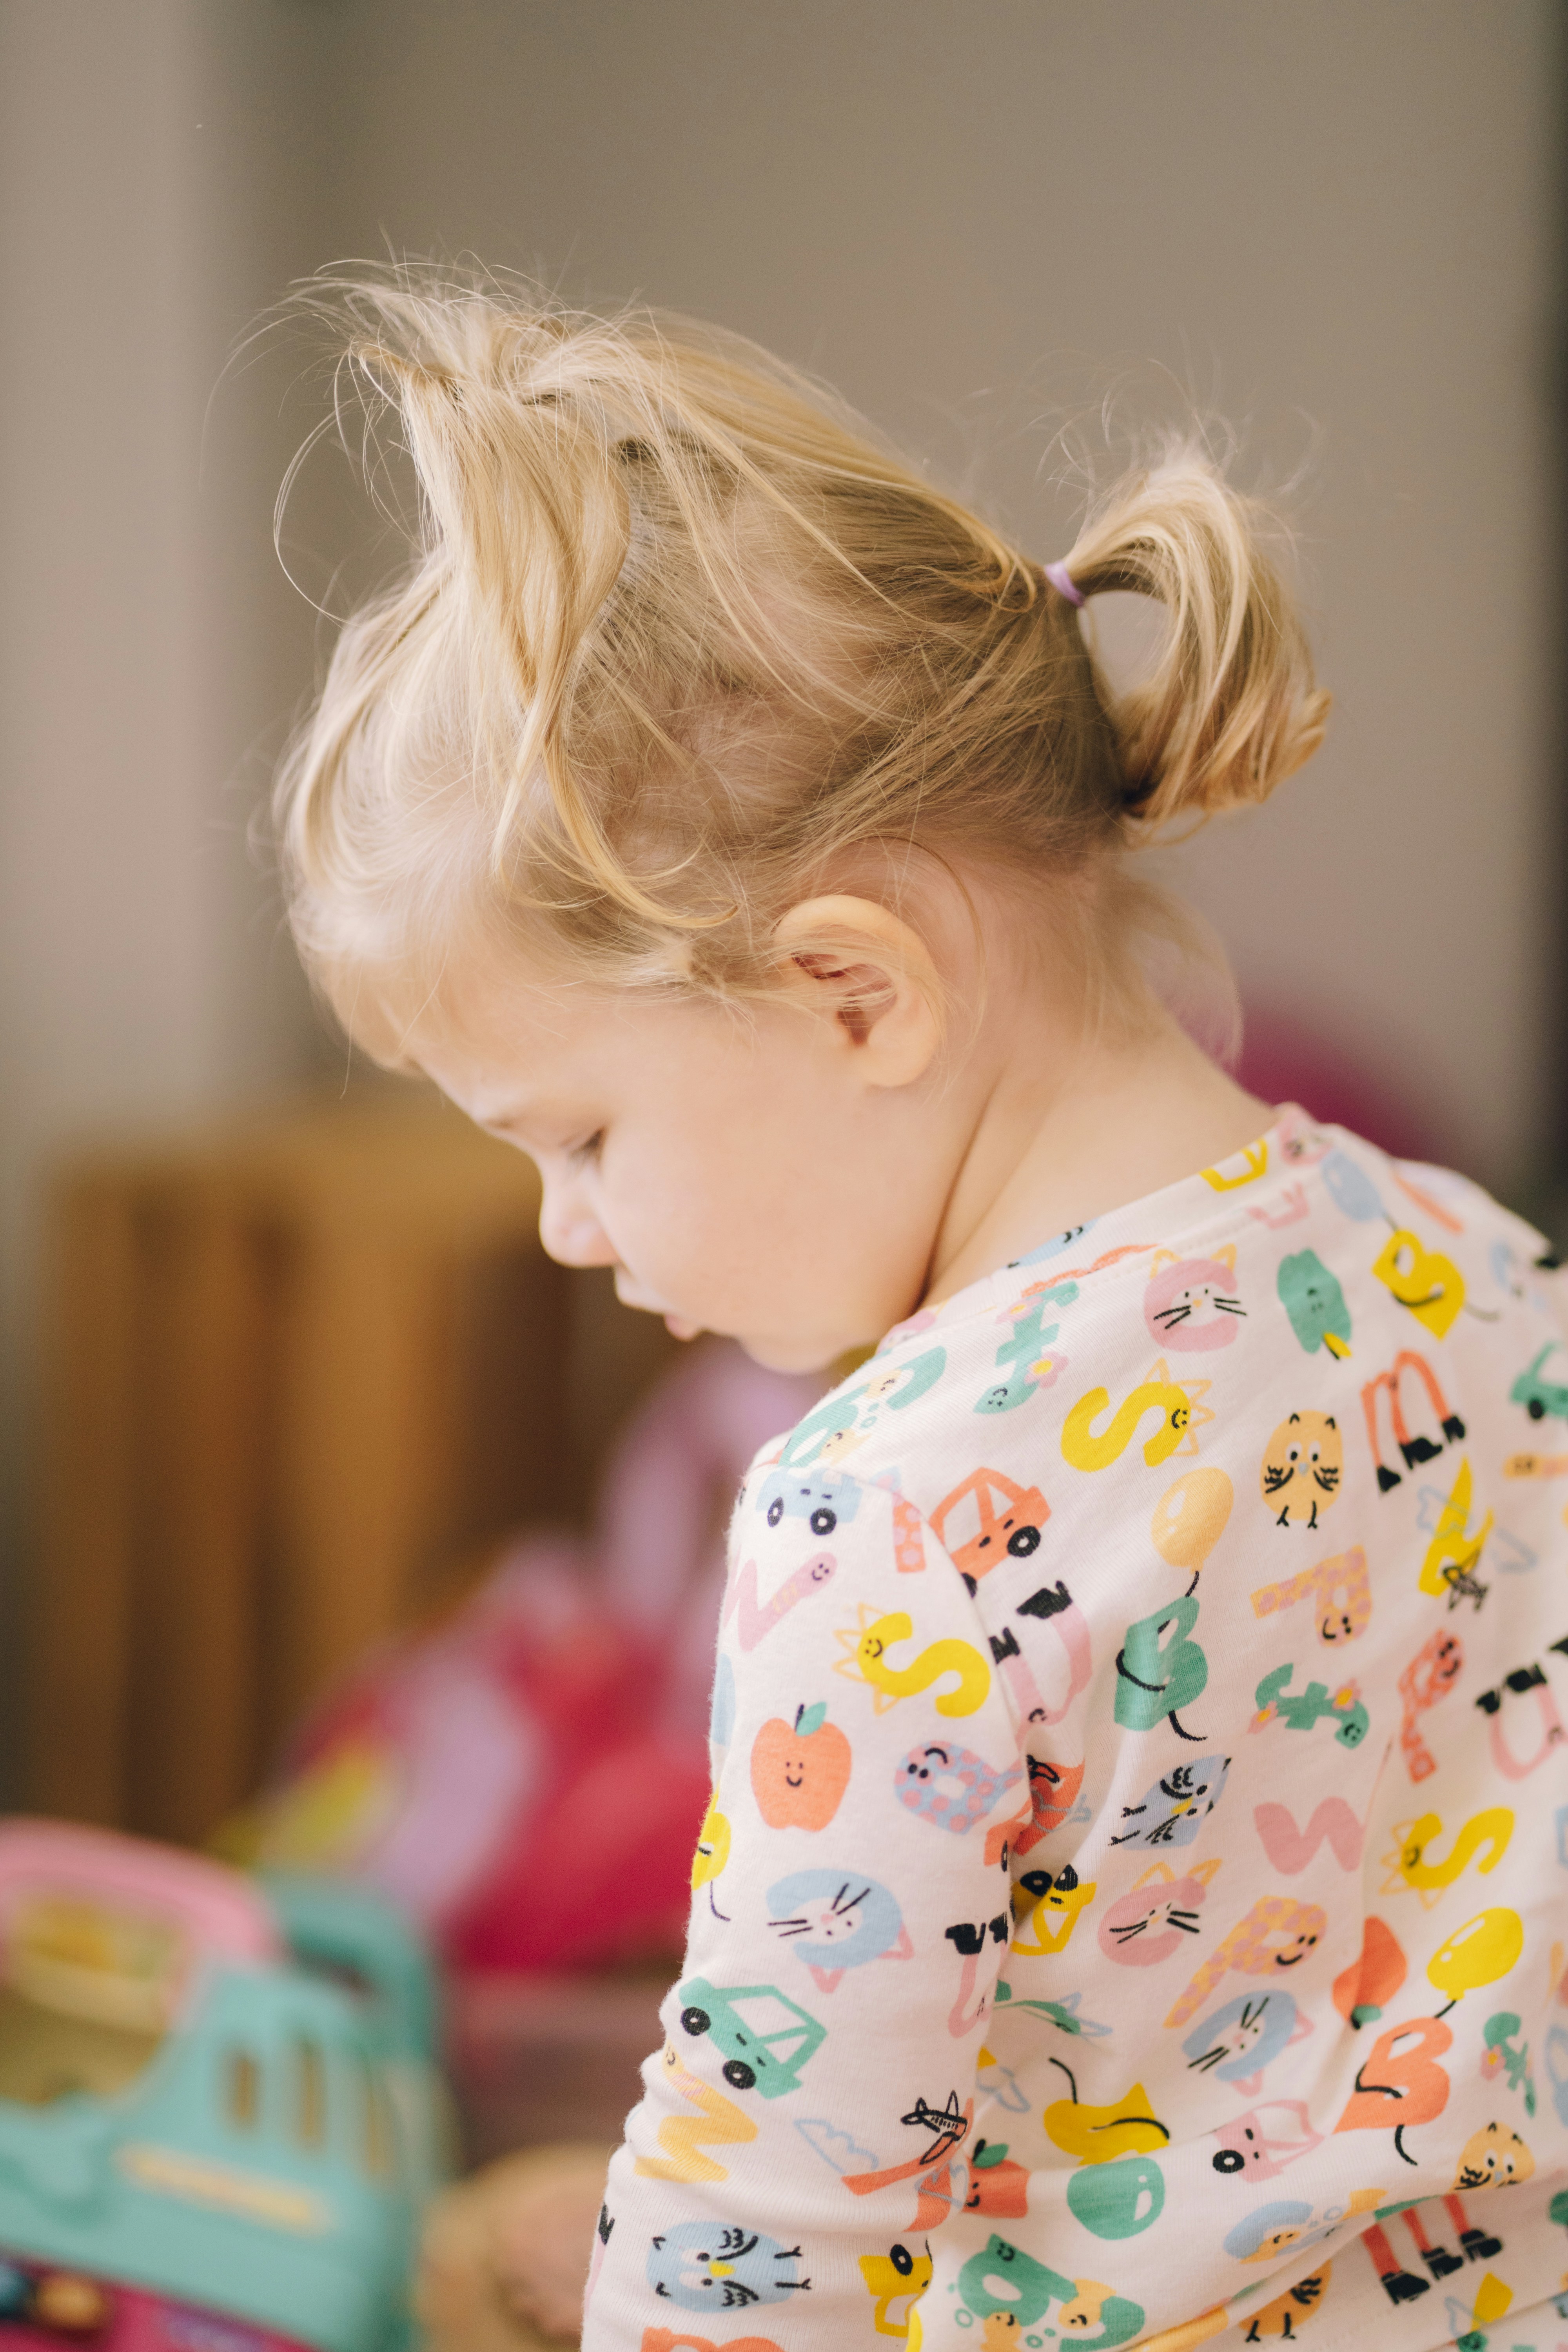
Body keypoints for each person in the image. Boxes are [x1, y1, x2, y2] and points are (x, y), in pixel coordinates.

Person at [275, 269, 1568, 2351]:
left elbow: (758, 2244)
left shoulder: (895, 1532)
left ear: (857, 991)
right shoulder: (1472, 1262)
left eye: (581, 1135)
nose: (564, 1232)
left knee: (499, 2251)